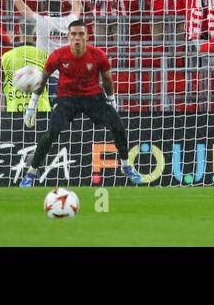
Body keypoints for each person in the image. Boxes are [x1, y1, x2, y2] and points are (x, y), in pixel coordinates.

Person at [19, 19, 144, 184]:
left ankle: (126, 165)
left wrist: (112, 101)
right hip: (67, 99)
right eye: (73, 34)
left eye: (81, 34)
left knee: (118, 126)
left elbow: (107, 79)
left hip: (93, 98)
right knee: (51, 133)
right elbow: (42, 79)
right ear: (68, 36)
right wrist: (31, 106)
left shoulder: (98, 55)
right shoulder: (58, 55)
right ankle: (31, 172)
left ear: (87, 36)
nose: (77, 38)